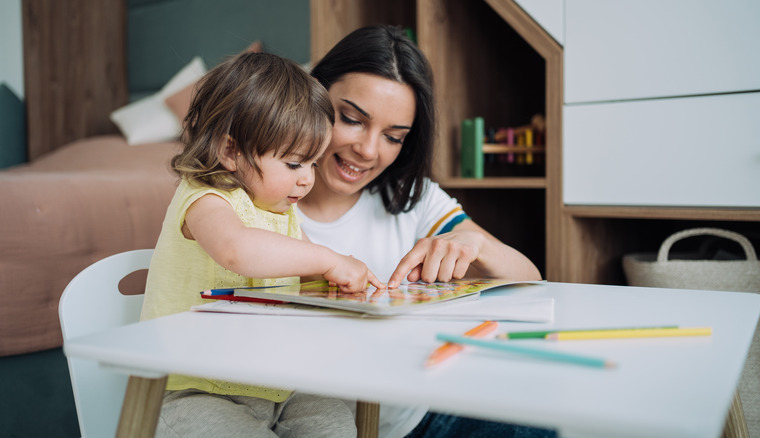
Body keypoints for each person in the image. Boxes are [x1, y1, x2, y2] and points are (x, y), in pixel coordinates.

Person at [298, 26, 554, 438]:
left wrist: (477, 243)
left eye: (393, 136)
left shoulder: (409, 197)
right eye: (350, 119)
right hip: (310, 423)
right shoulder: (263, 200)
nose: (368, 150)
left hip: (417, 418)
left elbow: (530, 279)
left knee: (536, 423)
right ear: (312, 95)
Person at [141, 52, 383, 438]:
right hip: (197, 390)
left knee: (335, 422)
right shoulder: (205, 198)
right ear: (231, 152)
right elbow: (236, 250)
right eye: (293, 164)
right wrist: (326, 257)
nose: (307, 180)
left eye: (313, 164)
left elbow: (305, 276)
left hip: (276, 384)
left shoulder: (282, 213)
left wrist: (337, 285)